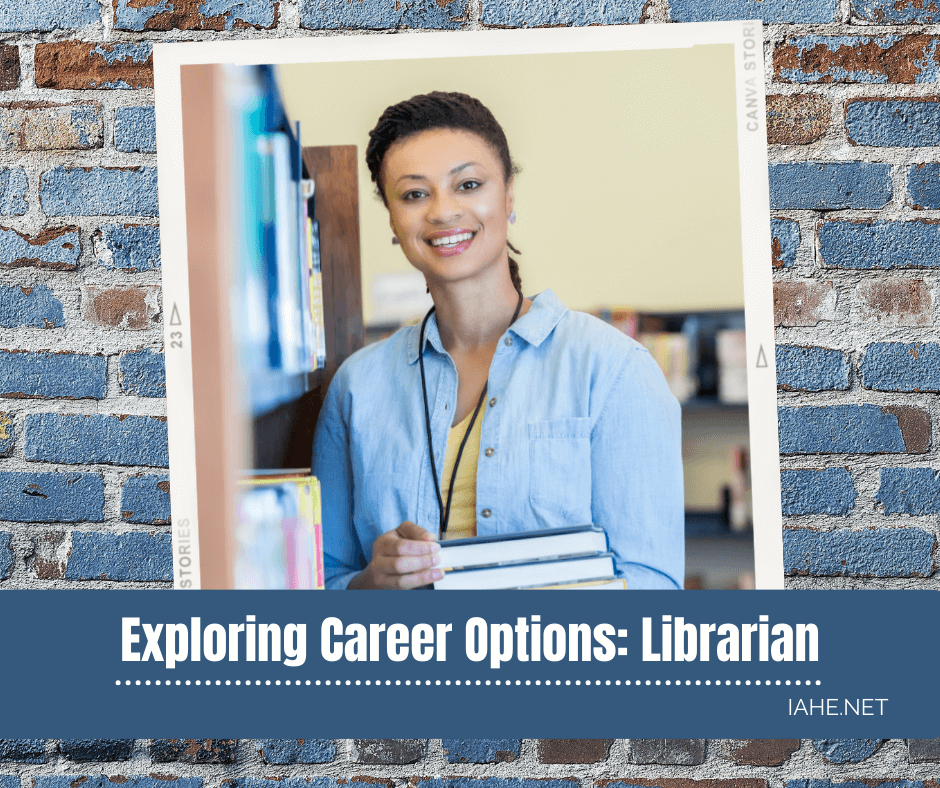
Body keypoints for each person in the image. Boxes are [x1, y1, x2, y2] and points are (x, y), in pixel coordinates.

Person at [312, 91, 684, 590]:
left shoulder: (614, 369)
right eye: (414, 194)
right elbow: (320, 582)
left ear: (508, 197)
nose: (443, 211)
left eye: (468, 184)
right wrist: (367, 588)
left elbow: (653, 587)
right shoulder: (357, 387)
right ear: (393, 221)